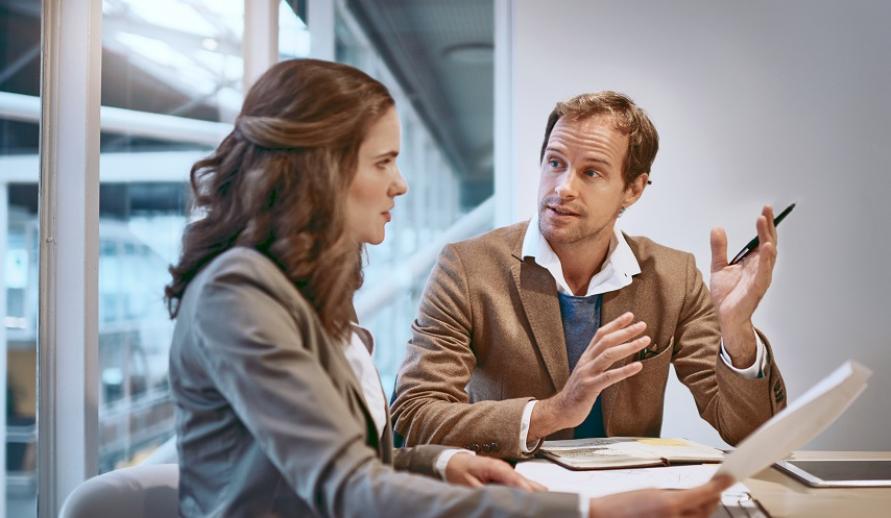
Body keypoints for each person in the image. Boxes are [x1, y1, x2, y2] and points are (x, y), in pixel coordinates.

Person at [165, 60, 730, 517]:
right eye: (384, 161)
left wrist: (438, 464)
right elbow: (347, 484)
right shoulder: (239, 296)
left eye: (590, 172)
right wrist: (587, 511)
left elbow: (360, 458)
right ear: (321, 170)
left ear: (634, 189)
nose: (401, 183)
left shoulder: (298, 293)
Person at [391, 91, 787, 459]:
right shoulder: (467, 267)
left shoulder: (672, 276)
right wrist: (553, 412)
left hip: (627, 504)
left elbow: (748, 432)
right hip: (513, 499)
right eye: (555, 163)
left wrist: (736, 332)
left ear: (633, 189)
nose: (563, 188)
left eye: (591, 173)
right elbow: (414, 414)